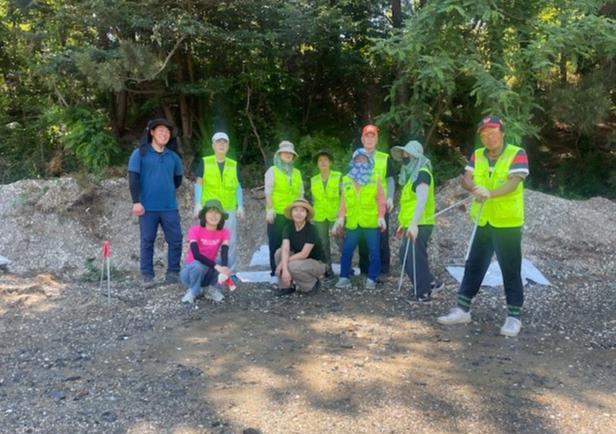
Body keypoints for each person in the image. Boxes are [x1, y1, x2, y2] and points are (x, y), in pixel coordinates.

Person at [437, 116, 530, 337]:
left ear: (502, 132)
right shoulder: (477, 154)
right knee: (474, 264)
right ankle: (462, 310)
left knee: (510, 268)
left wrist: (491, 193)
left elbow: (514, 182)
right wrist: (474, 188)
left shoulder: (517, 153)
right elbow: (466, 178)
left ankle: (514, 317)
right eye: (484, 134)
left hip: (507, 222)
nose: (489, 137)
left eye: (493, 132)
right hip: (482, 220)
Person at [128, 118, 183, 287]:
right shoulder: (140, 153)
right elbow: (133, 178)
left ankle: (173, 273)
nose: (164, 134)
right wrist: (136, 201)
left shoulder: (173, 157)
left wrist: (165, 190)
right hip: (147, 207)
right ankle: (147, 275)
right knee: (147, 241)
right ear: (152, 133)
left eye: (167, 132)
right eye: (160, 131)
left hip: (169, 207)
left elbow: (177, 180)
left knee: (176, 240)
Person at [332, 148, 387, 290]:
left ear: (369, 161)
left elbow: (381, 199)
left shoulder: (374, 177)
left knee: (374, 252)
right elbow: (343, 201)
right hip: (353, 223)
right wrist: (340, 217)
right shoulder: (346, 179)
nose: (361, 162)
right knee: (347, 250)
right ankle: (344, 277)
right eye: (358, 159)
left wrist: (381, 216)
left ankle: (372, 279)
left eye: (364, 159)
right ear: (353, 161)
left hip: (370, 223)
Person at [391, 140, 438, 304]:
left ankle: (423, 293)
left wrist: (413, 224)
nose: (405, 157)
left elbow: (421, 200)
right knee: (406, 255)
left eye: (408, 154)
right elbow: (409, 205)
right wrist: (404, 224)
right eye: (404, 154)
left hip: (420, 223)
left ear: (415, 156)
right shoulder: (412, 175)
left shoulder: (422, 173)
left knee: (414, 257)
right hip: (412, 223)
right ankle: (430, 282)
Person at [192, 132, 244, 271]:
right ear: (213, 145)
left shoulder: (233, 164)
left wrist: (240, 205)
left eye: (224, 142)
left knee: (230, 240)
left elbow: (238, 186)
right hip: (210, 209)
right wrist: (198, 203)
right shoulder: (205, 162)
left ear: (228, 146)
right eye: (218, 142)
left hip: (228, 208)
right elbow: (199, 184)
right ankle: (207, 270)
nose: (221, 145)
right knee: (207, 240)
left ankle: (230, 271)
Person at [264, 141, 304, 286]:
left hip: (294, 215)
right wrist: (270, 209)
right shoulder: (272, 171)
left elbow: (301, 193)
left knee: (294, 243)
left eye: (290, 153)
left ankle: (291, 272)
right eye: (285, 152)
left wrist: (301, 211)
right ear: (279, 154)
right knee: (275, 243)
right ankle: (274, 273)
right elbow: (268, 191)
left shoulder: (297, 173)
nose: (288, 155)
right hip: (278, 214)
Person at [357, 124, 395, 276]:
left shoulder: (384, 158)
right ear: (362, 139)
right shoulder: (357, 157)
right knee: (362, 237)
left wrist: (390, 197)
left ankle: (383, 270)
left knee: (382, 238)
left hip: (381, 205)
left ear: (377, 139)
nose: (369, 139)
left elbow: (390, 180)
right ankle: (364, 269)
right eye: (367, 136)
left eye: (372, 136)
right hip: (362, 205)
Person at [180, 199, 233, 304]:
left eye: (217, 212)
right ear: (204, 215)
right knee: (198, 265)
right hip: (190, 272)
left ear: (221, 216)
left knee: (227, 261)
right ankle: (193, 291)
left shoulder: (224, 232)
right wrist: (217, 267)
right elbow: (196, 255)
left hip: (208, 270)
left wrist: (224, 268)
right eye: (210, 211)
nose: (214, 215)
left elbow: (224, 251)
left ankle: (212, 289)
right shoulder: (195, 230)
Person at [274, 199, 327, 296]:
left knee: (291, 265)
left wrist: (282, 264)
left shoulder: (311, 229)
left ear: (306, 214)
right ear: (291, 212)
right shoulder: (288, 227)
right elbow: (285, 249)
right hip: (299, 260)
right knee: (279, 253)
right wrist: (284, 268)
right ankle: (286, 286)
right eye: (296, 210)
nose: (298, 213)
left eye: (302, 211)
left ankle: (311, 285)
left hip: (316, 263)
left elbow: (304, 254)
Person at [309, 150, 341, 278]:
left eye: (325, 160)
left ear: (330, 162)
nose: (323, 162)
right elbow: (313, 200)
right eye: (320, 160)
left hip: (335, 215)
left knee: (341, 242)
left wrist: (342, 215)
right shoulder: (313, 180)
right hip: (320, 216)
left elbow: (344, 197)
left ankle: (347, 269)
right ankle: (327, 270)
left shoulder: (338, 176)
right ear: (317, 164)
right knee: (323, 244)